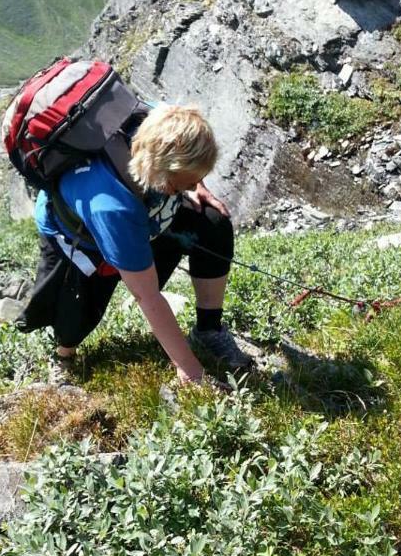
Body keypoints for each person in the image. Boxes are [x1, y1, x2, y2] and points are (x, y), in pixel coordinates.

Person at [16, 104, 252, 386]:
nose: (191, 189)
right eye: (183, 184)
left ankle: (208, 330)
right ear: (162, 172)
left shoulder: (152, 124)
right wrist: (191, 372)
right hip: (78, 238)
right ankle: (63, 356)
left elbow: (180, 156)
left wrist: (197, 184)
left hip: (143, 211)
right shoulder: (113, 207)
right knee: (75, 316)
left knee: (211, 222)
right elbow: (147, 296)